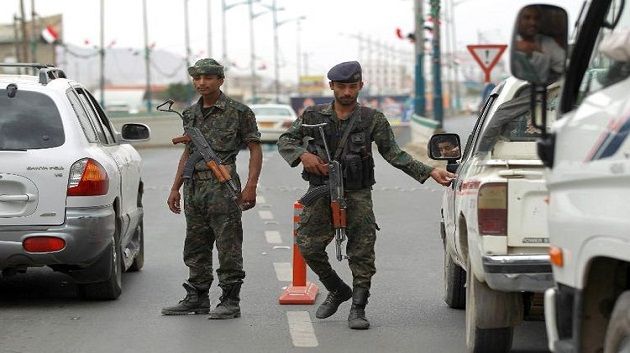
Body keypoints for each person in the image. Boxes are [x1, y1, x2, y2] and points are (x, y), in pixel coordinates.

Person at [276, 61, 455, 330]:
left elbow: (394, 154)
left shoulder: (372, 119)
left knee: (361, 251)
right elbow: (285, 140)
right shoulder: (312, 116)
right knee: (308, 246)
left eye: (352, 86)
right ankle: (337, 289)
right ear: (332, 87)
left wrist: (429, 171)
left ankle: (358, 307)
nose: (347, 92)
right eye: (341, 86)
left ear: (360, 86)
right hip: (320, 190)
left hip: (357, 193)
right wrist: (304, 155)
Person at [162, 58, 263, 319]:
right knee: (195, 245)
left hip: (223, 186)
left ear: (220, 80)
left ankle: (230, 300)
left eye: (207, 77)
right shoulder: (190, 114)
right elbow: (188, 153)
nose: (201, 83)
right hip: (194, 187)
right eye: (196, 78)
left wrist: (251, 186)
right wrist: (175, 188)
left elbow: (255, 149)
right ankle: (196, 296)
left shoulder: (239, 112)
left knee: (228, 246)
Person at [513, 5, 566, 85]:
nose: (533, 23)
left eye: (536, 18)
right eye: (527, 18)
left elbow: (563, 64)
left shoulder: (547, 42)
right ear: (518, 21)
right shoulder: (512, 44)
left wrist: (536, 50)